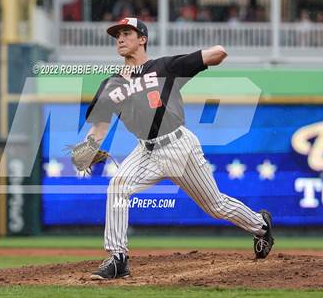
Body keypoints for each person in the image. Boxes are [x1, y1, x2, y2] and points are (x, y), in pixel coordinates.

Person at [85, 18, 274, 280]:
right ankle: (118, 259)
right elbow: (100, 126)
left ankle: (261, 226)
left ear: (142, 39)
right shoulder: (111, 85)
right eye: (117, 34)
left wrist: (208, 56)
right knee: (117, 186)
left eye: (127, 33)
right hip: (146, 151)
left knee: (215, 206)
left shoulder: (164, 67)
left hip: (179, 145)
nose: (120, 38)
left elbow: (218, 53)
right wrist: (88, 147)